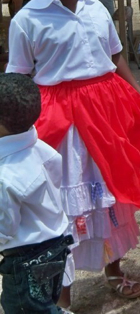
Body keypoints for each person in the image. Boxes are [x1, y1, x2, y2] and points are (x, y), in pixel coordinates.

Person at [6, 0, 140, 309]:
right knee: (65, 201)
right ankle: (62, 295)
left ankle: (113, 269)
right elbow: (19, 76)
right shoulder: (27, 20)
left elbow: (115, 58)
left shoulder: (97, 7)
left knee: (109, 190)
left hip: (105, 111)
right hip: (61, 121)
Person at [0, 73, 75, 314]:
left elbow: (4, 229)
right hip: (55, 248)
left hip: (26, 262)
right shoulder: (39, 148)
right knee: (45, 304)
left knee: (24, 309)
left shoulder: (5, 178)